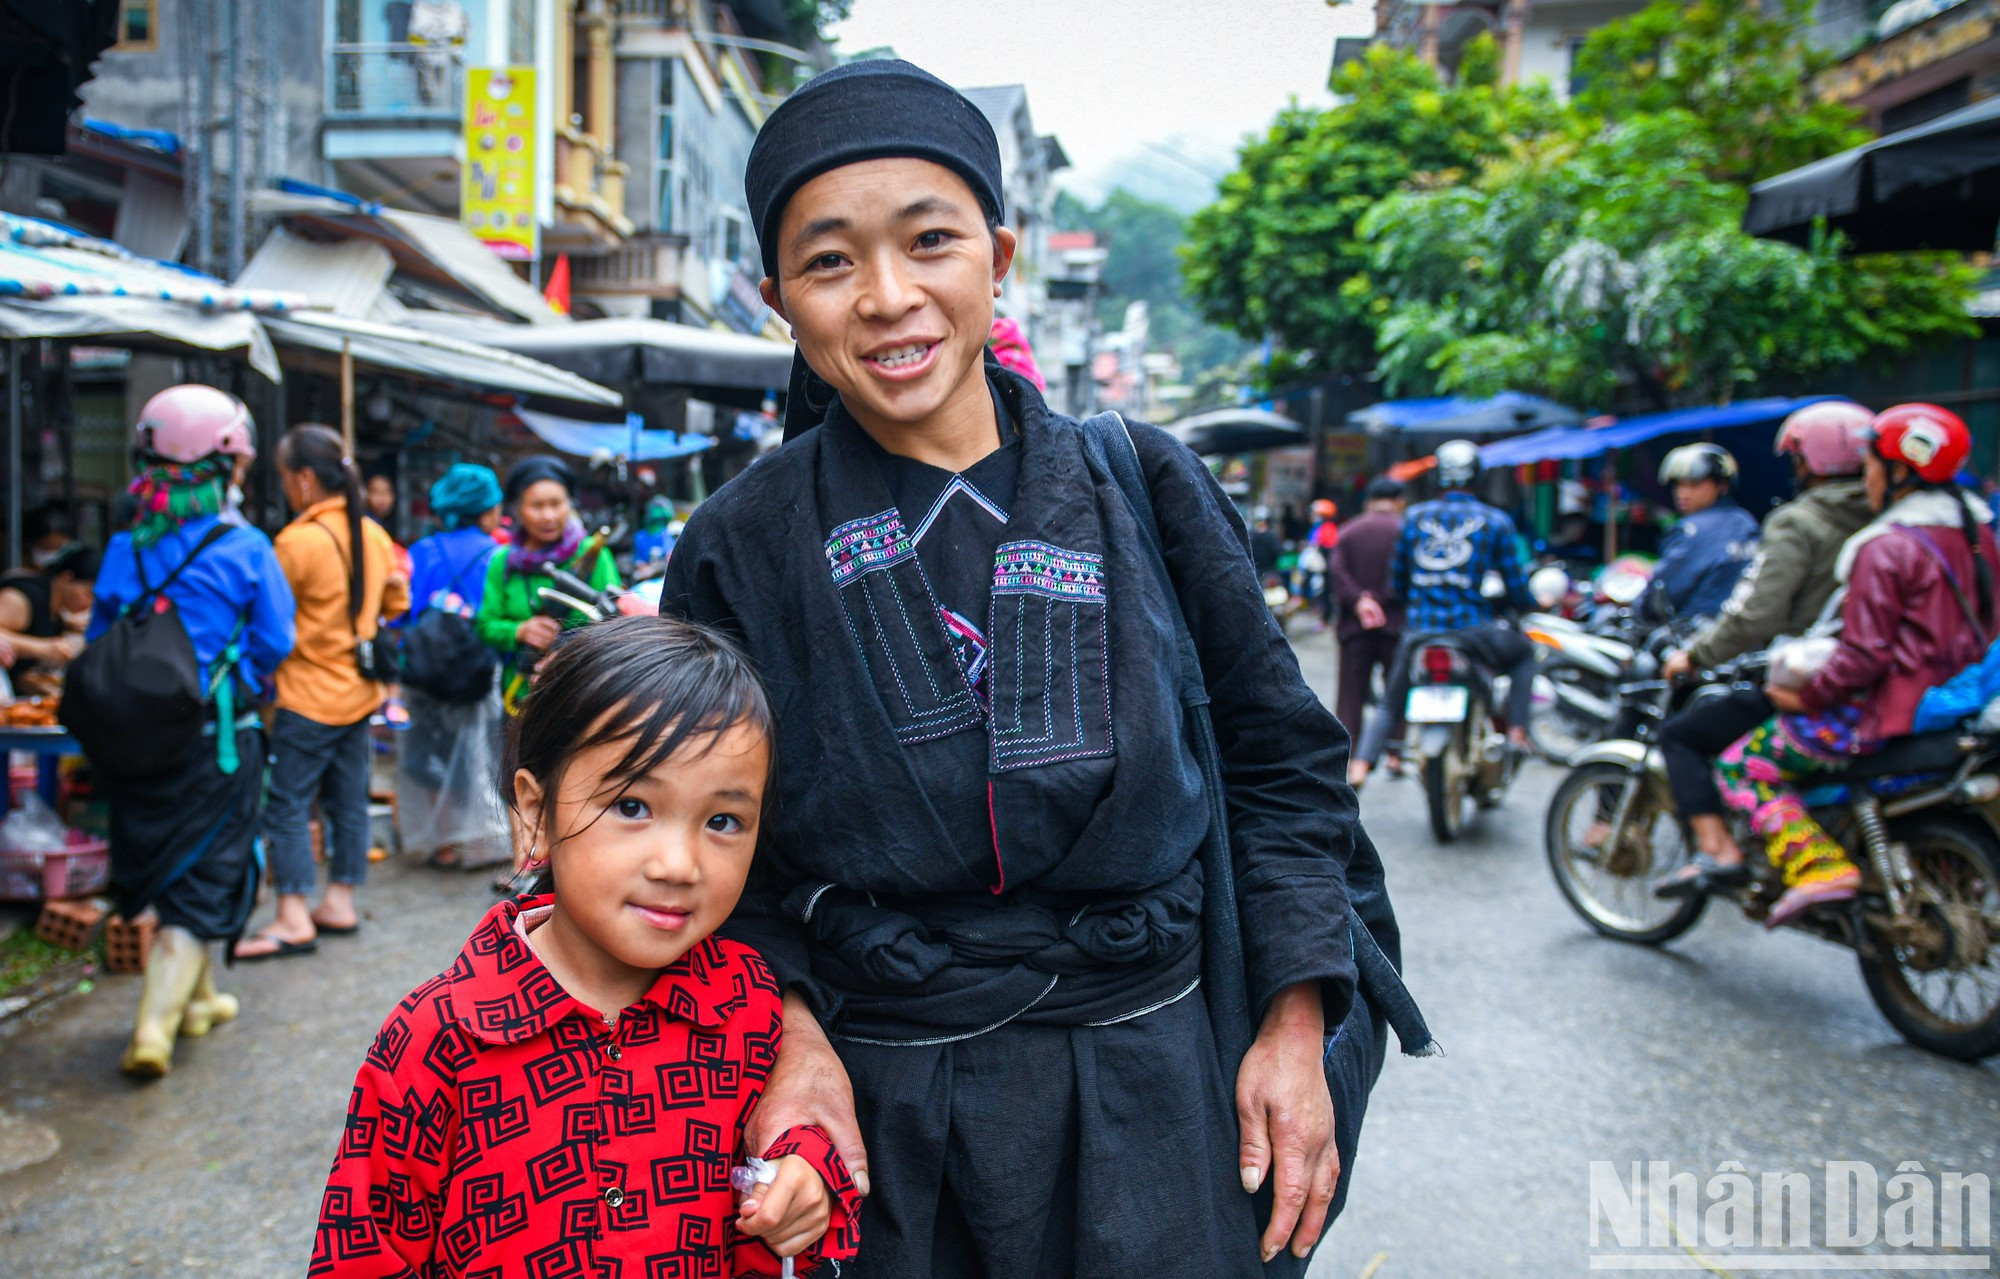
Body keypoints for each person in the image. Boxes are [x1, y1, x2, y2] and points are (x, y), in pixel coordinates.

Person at [659, 59, 1416, 1279]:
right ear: (777, 297)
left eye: (930, 241)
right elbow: (708, 841)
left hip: (1158, 1085)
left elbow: (1282, 764)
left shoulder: (1141, 480)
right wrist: (788, 1036)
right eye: (829, 260)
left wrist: (1293, 1019)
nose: (888, 297)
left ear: (998, 258)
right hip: (881, 1101)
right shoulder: (739, 545)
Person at [311, 614, 860, 1277]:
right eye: (632, 805)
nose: (679, 863)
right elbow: (362, 1254)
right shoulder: (437, 1040)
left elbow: (780, 1146)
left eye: (722, 820)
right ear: (535, 815)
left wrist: (803, 1174)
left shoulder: (745, 1000)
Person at [1714, 404, 2000, 926]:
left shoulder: (1884, 548)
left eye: (1870, 465)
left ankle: (1817, 865)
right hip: (1961, 699)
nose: (1865, 478)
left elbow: (1863, 657)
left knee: (1741, 764)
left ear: (1899, 471)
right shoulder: (1979, 538)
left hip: (1886, 711)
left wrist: (1806, 697)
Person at [87, 385, 296, 1075]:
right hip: (216, 739)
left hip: (132, 741)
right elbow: (275, 641)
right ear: (228, 462)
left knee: (167, 863)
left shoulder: (123, 548)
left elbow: (99, 637)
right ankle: (152, 1026)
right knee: (205, 875)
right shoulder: (244, 546)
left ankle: (200, 999)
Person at [1653, 402, 1877, 897]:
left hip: (1816, 680)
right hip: (1884, 680)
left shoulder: (1798, 522)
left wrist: (1695, 656)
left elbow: (1757, 614)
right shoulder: (1887, 517)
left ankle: (1719, 851)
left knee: (1684, 736)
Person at [235, 426, 409, 961]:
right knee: (348, 802)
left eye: (287, 478)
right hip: (361, 694)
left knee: (287, 804)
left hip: (307, 696)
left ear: (305, 479)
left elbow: (267, 624)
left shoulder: (295, 542)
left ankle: (291, 917)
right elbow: (397, 601)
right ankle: (340, 902)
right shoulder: (373, 535)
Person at [1354, 439, 1537, 776]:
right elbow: (1516, 585)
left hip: (1420, 631)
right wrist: (1526, 605)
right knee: (1525, 655)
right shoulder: (1494, 521)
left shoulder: (1414, 517)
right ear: (1478, 476)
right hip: (1474, 629)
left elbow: (1398, 582)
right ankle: (1517, 732)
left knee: (1390, 705)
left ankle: (1361, 766)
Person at [397, 462, 510, 871]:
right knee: (477, 754)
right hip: (476, 671)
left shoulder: (422, 551)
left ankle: (443, 842)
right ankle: (477, 842)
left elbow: (402, 613)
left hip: (426, 671)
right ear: (484, 512)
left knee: (429, 756)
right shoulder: (500, 555)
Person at [475, 454, 621, 715]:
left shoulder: (593, 554)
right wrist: (519, 631)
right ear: (518, 510)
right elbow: (486, 624)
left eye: (557, 504)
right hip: (519, 699)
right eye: (537, 506)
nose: (549, 515)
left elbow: (615, 623)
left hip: (582, 695)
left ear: (570, 505)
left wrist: (569, 650)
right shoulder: (503, 561)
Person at [1328, 480, 1407, 787]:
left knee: (1351, 693)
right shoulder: (1405, 530)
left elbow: (1336, 571)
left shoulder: (1349, 531)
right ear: (1399, 500)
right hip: (1395, 623)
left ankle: (1349, 757)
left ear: (1369, 500)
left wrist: (1360, 600)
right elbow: (1408, 574)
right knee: (1396, 692)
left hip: (1354, 626)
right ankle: (1395, 754)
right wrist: (1383, 599)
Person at [1646, 444, 1760, 622]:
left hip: (1694, 635)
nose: (1682, 493)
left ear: (1722, 486)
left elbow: (1663, 590)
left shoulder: (1691, 529)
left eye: (1694, 484)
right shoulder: (1746, 521)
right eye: (1679, 484)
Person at [0, 543, 99, 695]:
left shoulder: (56, 613)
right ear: (67, 578)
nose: (89, 603)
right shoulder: (22, 598)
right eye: (89, 593)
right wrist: (43, 648)